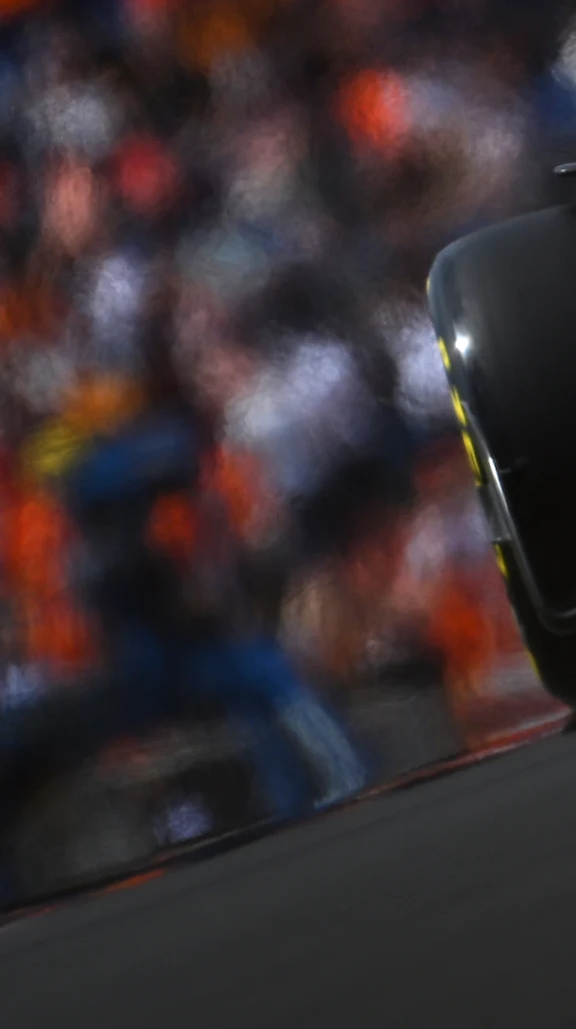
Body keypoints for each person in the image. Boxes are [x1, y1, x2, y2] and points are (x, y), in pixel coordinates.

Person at [0, 362, 366, 902]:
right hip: (104, 684)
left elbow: (172, 465)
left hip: (143, 675)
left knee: (256, 679)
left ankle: (328, 790)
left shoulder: (112, 519)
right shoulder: (73, 520)